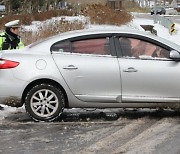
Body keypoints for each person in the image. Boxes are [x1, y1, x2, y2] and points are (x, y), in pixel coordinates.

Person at [0, 20, 24, 110]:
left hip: (12, 65)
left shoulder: (18, 40)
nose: (18, 31)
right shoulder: (1, 38)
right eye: (17, 29)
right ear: (12, 29)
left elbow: (22, 51)